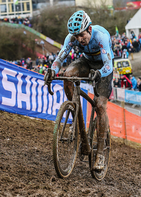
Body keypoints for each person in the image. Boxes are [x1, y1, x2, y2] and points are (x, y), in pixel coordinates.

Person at [44, 10, 114, 170]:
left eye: (81, 35)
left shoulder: (101, 36)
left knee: (100, 106)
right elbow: (60, 57)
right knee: (68, 74)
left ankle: (101, 154)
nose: (79, 39)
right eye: (76, 36)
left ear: (89, 29)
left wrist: (99, 74)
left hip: (104, 67)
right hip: (87, 62)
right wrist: (53, 70)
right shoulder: (72, 38)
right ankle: (76, 117)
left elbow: (108, 65)